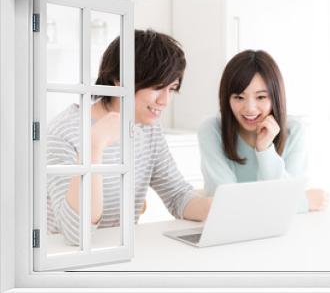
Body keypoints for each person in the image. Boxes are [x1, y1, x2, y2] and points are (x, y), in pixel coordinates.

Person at [47, 29, 212, 245]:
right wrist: (94, 146)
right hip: (66, 261)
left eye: (172, 89)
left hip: (122, 252)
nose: (165, 101)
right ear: (118, 80)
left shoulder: (147, 129)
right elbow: (76, 233)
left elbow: (178, 196)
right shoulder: (64, 132)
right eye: (157, 87)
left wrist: (229, 209)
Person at [197, 50, 328, 212]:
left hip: (282, 232)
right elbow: (226, 204)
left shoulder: (294, 130)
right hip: (231, 232)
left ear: (276, 97)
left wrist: (265, 150)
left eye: (261, 97)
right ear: (227, 98)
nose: (250, 109)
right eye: (239, 97)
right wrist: (302, 203)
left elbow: (287, 195)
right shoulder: (211, 130)